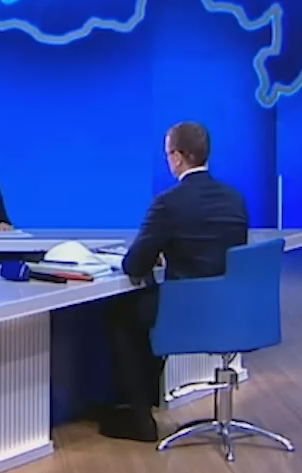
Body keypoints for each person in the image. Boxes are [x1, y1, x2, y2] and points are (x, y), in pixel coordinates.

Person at [100, 121, 248, 442]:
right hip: (231, 310)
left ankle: (138, 415)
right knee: (147, 311)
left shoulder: (168, 203)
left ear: (178, 157)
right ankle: (147, 404)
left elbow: (134, 265)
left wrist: (158, 253)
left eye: (168, 154)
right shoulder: (234, 199)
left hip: (187, 311)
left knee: (122, 315)